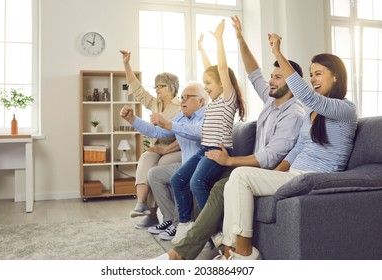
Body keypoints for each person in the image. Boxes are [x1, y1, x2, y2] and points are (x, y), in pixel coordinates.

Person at [152, 15, 305, 260]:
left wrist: (230, 162)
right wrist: (240, 38)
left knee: (215, 184)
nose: (271, 81)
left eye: (278, 77)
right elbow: (254, 72)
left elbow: (271, 157)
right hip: (246, 165)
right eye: (272, 76)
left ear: (294, 83)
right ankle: (207, 240)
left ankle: (186, 252)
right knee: (205, 184)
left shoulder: (294, 114)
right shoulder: (271, 99)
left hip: (272, 171)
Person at [213, 34, 358, 260]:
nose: (313, 79)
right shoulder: (313, 113)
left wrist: (278, 53)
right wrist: (272, 175)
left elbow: (309, 97)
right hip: (294, 176)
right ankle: (230, 250)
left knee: (240, 175)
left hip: (315, 178)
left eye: (318, 73)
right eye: (311, 75)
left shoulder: (345, 109)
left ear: (337, 77)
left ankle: (245, 254)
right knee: (236, 179)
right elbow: (297, 148)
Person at [169, 19, 246, 244]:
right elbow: (211, 69)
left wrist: (219, 40)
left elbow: (221, 68)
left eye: (209, 83)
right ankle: (185, 223)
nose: (206, 86)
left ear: (223, 84)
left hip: (217, 151)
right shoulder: (212, 102)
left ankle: (213, 232)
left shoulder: (227, 99)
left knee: (196, 183)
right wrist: (202, 49)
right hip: (205, 150)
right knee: (177, 180)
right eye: (204, 83)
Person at [120, 82, 209, 232]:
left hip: (200, 167)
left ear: (201, 101)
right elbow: (156, 132)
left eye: (187, 97)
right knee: (154, 174)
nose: (182, 101)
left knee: (175, 178)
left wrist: (168, 124)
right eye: (181, 97)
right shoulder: (181, 117)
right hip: (184, 164)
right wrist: (132, 119)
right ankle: (168, 219)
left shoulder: (208, 114)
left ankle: (178, 223)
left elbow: (197, 132)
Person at [120, 50, 182, 228]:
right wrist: (126, 64)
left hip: (176, 148)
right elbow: (136, 88)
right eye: (155, 85)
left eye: (160, 85)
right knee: (146, 159)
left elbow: (183, 137)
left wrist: (164, 150)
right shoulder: (154, 103)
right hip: (157, 147)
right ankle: (142, 206)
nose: (156, 89)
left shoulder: (180, 107)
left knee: (159, 168)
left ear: (171, 88)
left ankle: (160, 214)